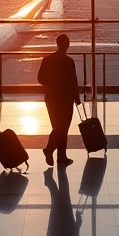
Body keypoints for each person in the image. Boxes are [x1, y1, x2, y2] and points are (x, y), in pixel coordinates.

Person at [37, 34, 81, 167]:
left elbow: (40, 79)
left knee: (56, 126)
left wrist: (51, 85)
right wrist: (77, 97)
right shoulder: (69, 61)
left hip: (51, 98)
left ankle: (58, 155)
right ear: (68, 44)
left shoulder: (47, 60)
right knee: (64, 127)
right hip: (66, 99)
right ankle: (53, 151)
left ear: (57, 44)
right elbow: (73, 81)